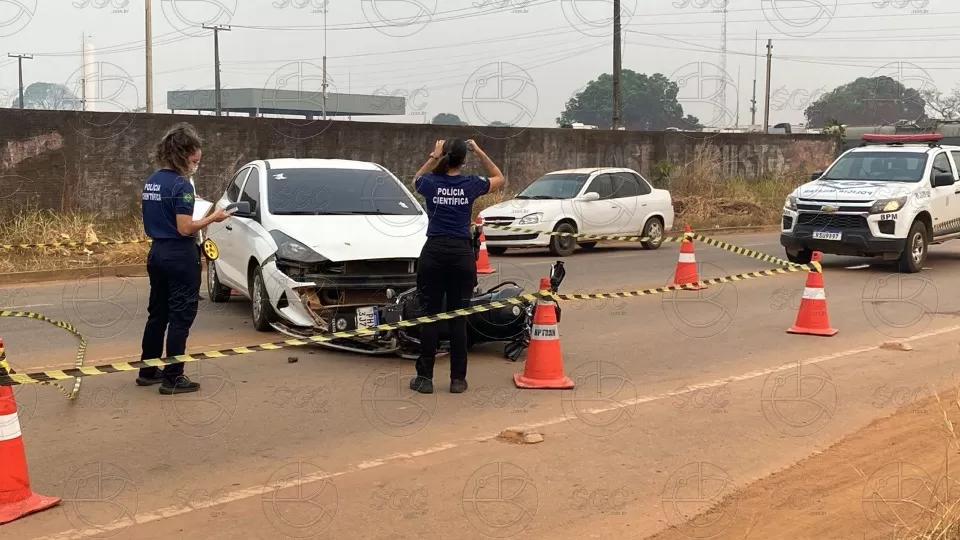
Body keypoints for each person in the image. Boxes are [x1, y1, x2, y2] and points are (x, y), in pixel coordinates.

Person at [136, 123, 230, 394]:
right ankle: (173, 377)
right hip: (180, 255)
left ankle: (148, 371)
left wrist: (188, 201)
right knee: (181, 316)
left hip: (157, 253)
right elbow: (185, 228)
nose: (196, 166)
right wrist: (213, 217)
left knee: (158, 314)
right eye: (194, 161)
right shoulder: (182, 185)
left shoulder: (153, 181)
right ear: (182, 155)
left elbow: (164, 209)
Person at [408, 138, 505, 394]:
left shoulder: (431, 182)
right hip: (461, 255)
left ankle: (424, 378)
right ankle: (458, 380)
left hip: (434, 252)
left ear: (444, 156)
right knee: (458, 318)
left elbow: (416, 180)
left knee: (429, 316)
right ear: (463, 160)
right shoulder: (471, 183)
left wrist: (434, 155)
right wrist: (479, 150)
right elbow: (499, 177)